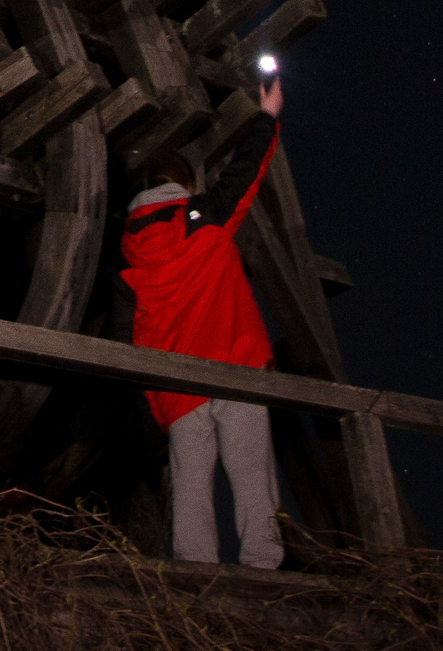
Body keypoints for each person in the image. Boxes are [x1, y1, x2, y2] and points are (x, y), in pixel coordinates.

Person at [118, 76, 286, 567]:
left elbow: (129, 337)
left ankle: (195, 581)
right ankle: (265, 571)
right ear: (183, 184)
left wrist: (155, 405)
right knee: (253, 479)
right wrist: (268, 116)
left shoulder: (130, 253)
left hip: (177, 388)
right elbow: (245, 173)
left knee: (190, 488)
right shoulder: (205, 215)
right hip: (236, 367)